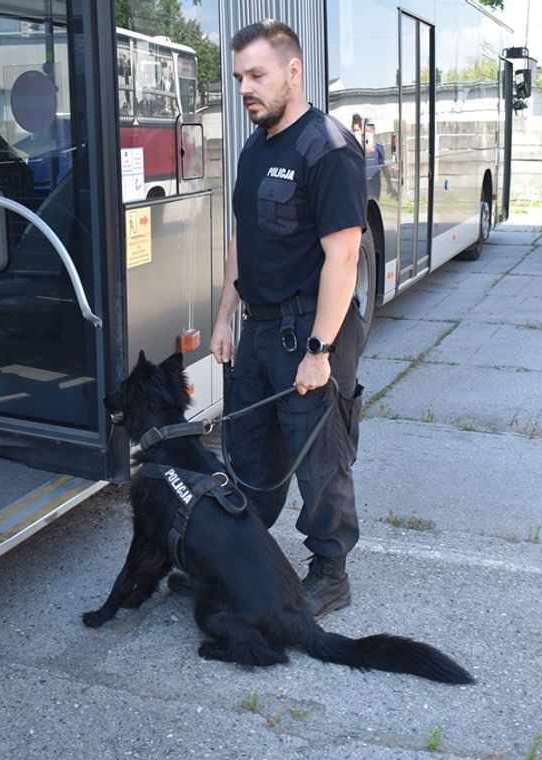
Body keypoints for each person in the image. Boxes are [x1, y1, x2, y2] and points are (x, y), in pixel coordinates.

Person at [210, 19, 367, 617]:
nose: (245, 88)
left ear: (293, 71)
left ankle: (330, 572)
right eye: (239, 78)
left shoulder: (326, 147)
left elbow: (344, 255)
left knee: (318, 459)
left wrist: (320, 349)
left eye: (256, 75)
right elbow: (241, 240)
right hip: (257, 330)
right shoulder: (255, 148)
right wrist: (225, 316)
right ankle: (242, 558)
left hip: (309, 330)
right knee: (247, 457)